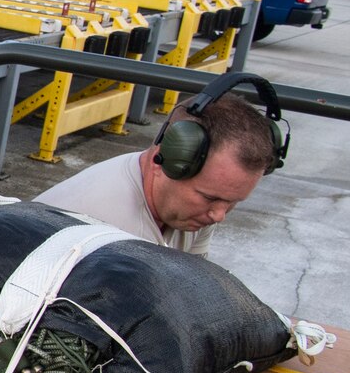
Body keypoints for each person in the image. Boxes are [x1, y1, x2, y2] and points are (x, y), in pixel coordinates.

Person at [36, 85, 282, 254]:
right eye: (210, 198)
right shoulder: (107, 232)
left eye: (232, 201)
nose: (219, 215)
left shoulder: (195, 210)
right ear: (160, 162)